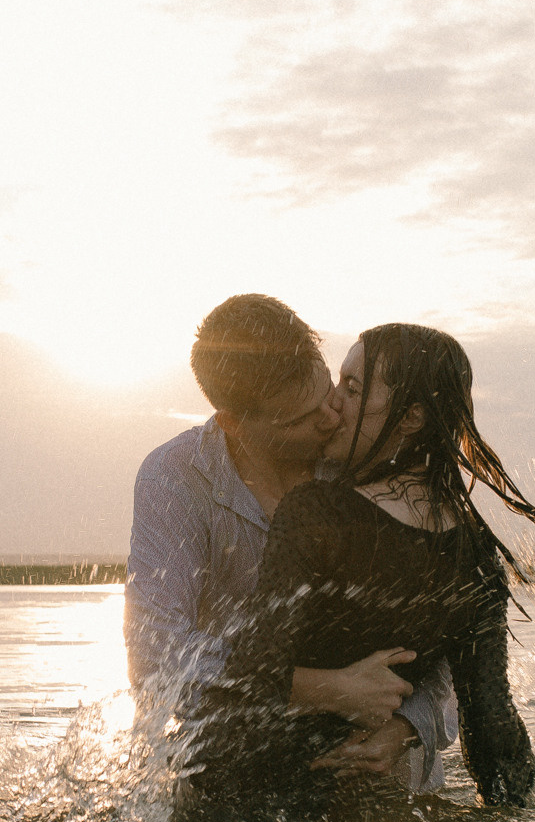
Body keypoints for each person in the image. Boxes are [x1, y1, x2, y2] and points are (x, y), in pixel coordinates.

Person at [178, 321, 535, 819]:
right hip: (368, 808)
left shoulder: (316, 513)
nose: (333, 405)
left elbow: (249, 673)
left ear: (410, 418)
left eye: (352, 388)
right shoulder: (475, 555)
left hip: (246, 804)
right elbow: (496, 737)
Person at [125, 295, 455, 784]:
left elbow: (448, 650)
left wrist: (404, 730)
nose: (330, 417)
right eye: (301, 417)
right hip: (232, 768)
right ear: (234, 421)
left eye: (329, 392)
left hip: (379, 766)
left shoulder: (369, 466)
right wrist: (324, 689)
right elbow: (157, 659)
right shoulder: (174, 479)